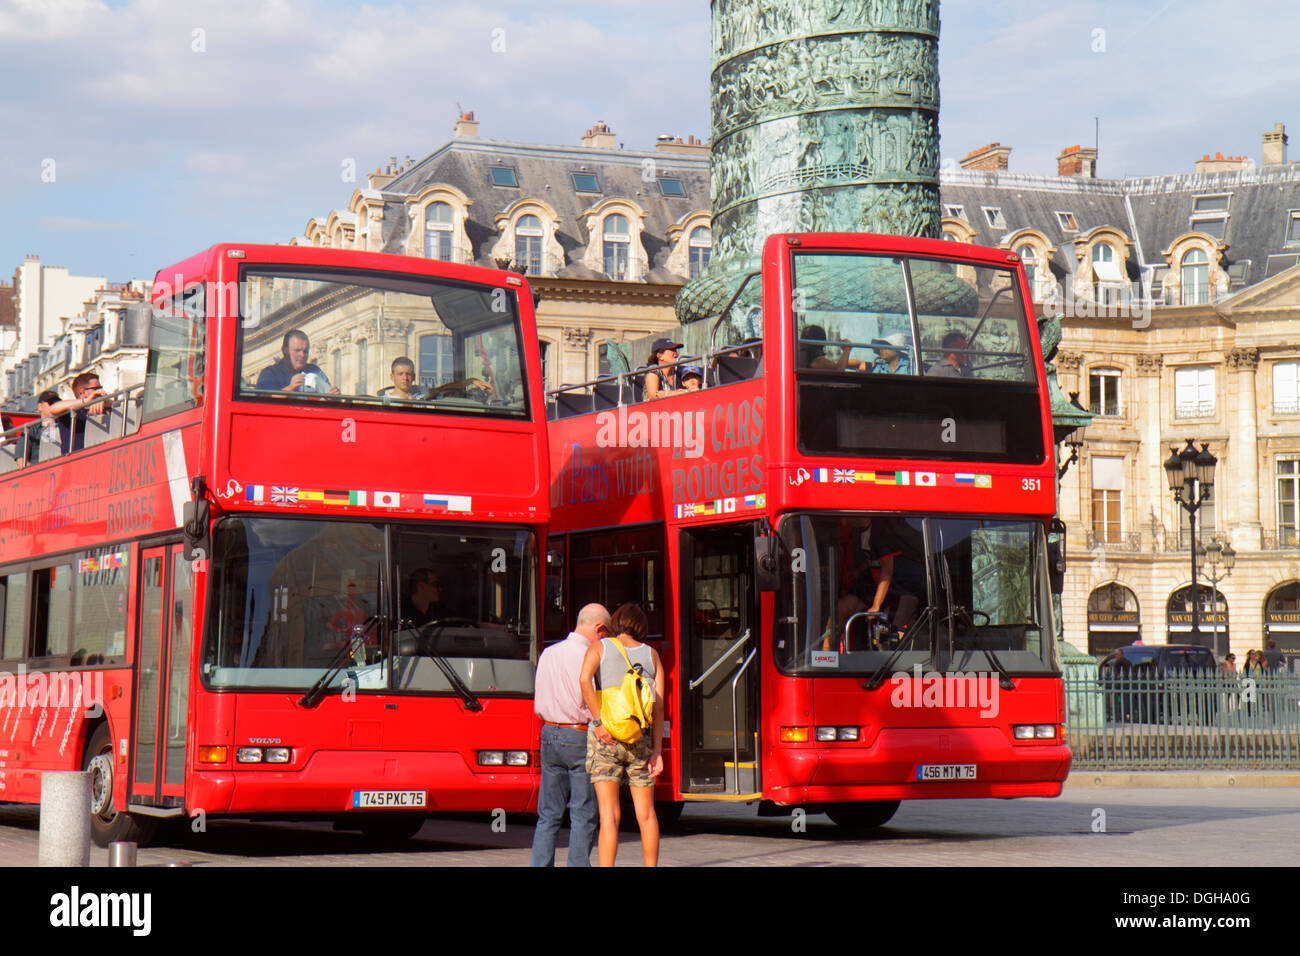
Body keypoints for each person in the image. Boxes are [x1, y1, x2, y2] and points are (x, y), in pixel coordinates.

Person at [579, 602, 665, 867]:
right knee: (647, 814)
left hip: (607, 738)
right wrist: (658, 751)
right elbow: (659, 704)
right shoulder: (652, 656)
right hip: (639, 739)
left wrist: (598, 722)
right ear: (641, 626)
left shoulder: (600, 647)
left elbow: (584, 680)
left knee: (609, 816)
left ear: (615, 623)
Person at [529, 603, 610, 867]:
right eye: (605, 634)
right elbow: (591, 699)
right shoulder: (590, 655)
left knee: (548, 814)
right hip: (577, 735)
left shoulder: (548, 653)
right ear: (599, 628)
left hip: (548, 733)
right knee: (583, 813)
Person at [256, 329, 340, 394]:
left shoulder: (315, 371)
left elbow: (329, 396)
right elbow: (265, 400)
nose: (302, 355)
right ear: (284, 351)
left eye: (305, 352)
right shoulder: (269, 374)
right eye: (297, 351)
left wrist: (334, 395)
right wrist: (290, 388)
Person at [800, 324, 867, 371]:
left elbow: (833, 365)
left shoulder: (802, 355)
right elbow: (839, 369)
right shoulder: (817, 360)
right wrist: (847, 349)